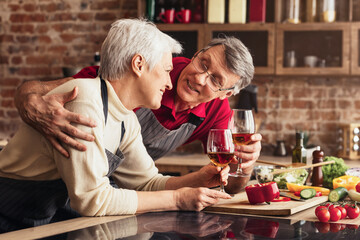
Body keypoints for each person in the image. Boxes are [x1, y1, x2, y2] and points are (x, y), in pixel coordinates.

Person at [0, 18, 232, 229]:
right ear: (138, 64)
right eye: (165, 71)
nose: (169, 84)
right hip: (8, 210)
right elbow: (92, 199)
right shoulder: (84, 100)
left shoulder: (126, 117)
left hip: (45, 214)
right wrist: (178, 200)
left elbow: (147, 182)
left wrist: (197, 180)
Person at [15, 27, 262, 193]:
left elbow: (230, 186)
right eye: (202, 63)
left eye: (215, 81)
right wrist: (29, 104)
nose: (199, 78)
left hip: (130, 186)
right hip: (63, 183)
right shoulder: (145, 71)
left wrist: (246, 165)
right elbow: (33, 90)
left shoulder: (217, 113)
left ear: (227, 94)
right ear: (196, 54)